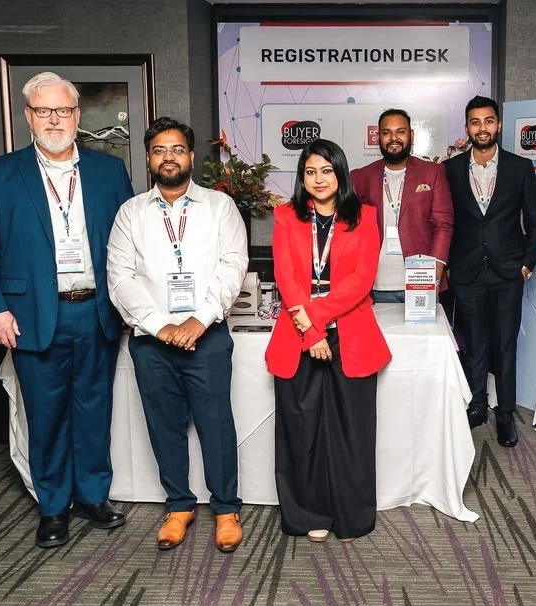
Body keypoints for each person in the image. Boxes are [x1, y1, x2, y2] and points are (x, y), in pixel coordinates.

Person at [0, 72, 133, 547]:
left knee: (94, 410)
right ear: (28, 117)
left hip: (95, 310)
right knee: (46, 413)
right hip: (31, 315)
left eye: (62, 111)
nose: (54, 120)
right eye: (44, 111)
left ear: (78, 116)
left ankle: (94, 496)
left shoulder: (108, 172)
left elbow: (129, 243)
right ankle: (54, 506)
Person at [106, 117, 248, 552]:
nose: (169, 157)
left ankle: (226, 508)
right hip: (152, 341)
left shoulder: (220, 207)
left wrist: (198, 320)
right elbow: (120, 277)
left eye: (178, 149)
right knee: (163, 425)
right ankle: (180, 505)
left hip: (206, 337)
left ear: (191, 156)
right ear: (149, 159)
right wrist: (161, 325)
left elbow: (232, 266)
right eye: (160, 150)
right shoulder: (130, 212)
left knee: (216, 424)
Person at [266, 138, 392, 543]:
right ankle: (307, 515)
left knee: (351, 431)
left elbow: (361, 280)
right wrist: (312, 333)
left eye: (326, 170)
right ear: (301, 177)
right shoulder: (287, 216)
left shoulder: (365, 216)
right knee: (300, 430)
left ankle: (352, 516)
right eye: (309, 172)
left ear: (340, 173)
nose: (318, 179)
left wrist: (316, 321)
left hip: (349, 334)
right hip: (299, 336)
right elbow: (287, 277)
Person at [444, 95, 536, 446]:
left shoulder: (520, 167)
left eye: (488, 121)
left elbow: (535, 220)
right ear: (467, 127)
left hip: (507, 274)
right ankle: (476, 406)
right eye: (475, 122)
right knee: (473, 344)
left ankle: (505, 417)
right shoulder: (451, 170)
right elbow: (446, 220)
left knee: (504, 346)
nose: (482, 128)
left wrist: (527, 264)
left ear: (498, 125)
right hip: (467, 272)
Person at [351, 108, 454, 303]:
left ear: (411, 135)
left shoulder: (432, 172)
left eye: (400, 131)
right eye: (386, 132)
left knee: (422, 335)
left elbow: (443, 224)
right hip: (373, 285)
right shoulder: (360, 177)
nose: (393, 138)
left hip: (421, 281)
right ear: (378, 137)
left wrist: (435, 273)